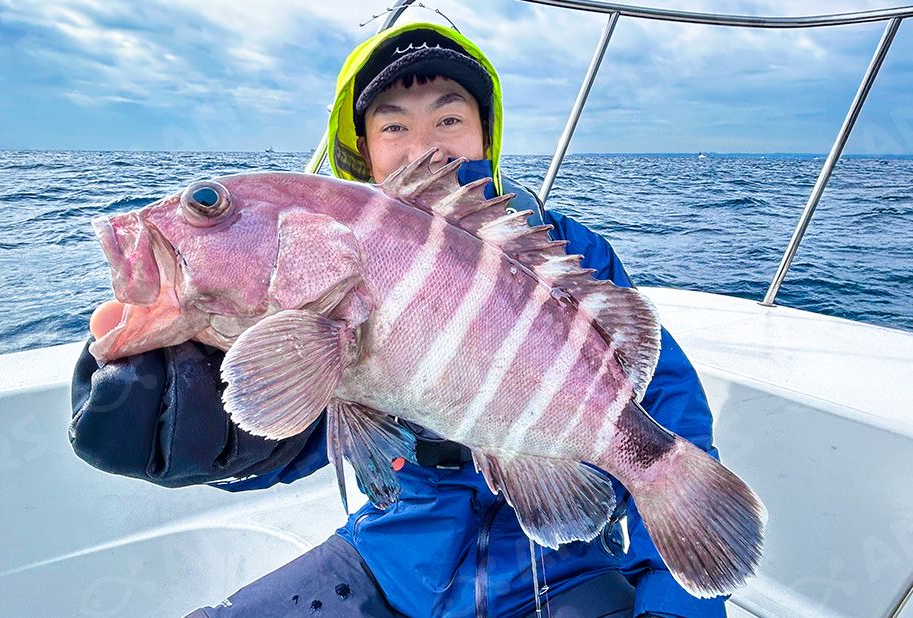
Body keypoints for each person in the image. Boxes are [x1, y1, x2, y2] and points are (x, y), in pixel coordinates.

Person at [70, 21, 728, 618]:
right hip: (396, 553)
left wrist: (674, 599)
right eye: (393, 126)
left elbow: (662, 405)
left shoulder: (567, 252)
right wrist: (194, 425)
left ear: (485, 134)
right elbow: (292, 436)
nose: (424, 146)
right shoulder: (319, 285)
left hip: (563, 573)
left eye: (449, 120)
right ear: (361, 149)